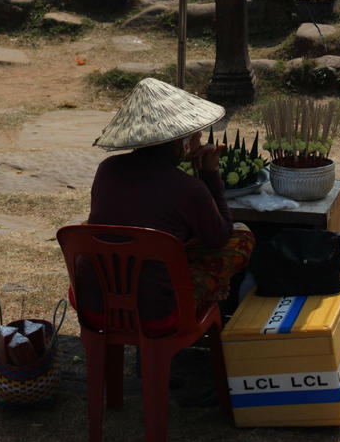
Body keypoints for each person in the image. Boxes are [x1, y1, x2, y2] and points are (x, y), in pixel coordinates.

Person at [67, 77, 255, 336]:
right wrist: (210, 174)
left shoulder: (107, 170)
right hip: (157, 313)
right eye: (194, 132)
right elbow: (220, 236)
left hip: (96, 305)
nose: (200, 136)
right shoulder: (189, 188)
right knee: (242, 237)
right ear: (181, 142)